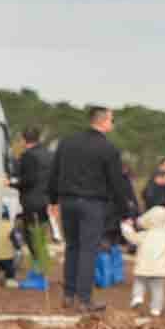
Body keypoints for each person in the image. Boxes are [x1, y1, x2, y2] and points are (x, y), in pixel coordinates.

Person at [47, 106, 134, 313]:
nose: (112, 123)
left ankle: (68, 295)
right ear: (104, 122)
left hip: (67, 201)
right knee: (88, 250)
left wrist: (52, 200)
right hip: (92, 204)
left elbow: (54, 172)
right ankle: (84, 299)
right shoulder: (108, 149)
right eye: (111, 120)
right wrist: (125, 211)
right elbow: (117, 183)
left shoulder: (67, 142)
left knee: (72, 247)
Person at [119, 206, 165, 317]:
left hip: (144, 267)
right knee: (158, 290)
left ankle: (138, 297)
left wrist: (125, 227)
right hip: (161, 270)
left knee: (139, 283)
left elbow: (132, 237)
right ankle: (156, 309)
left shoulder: (145, 235)